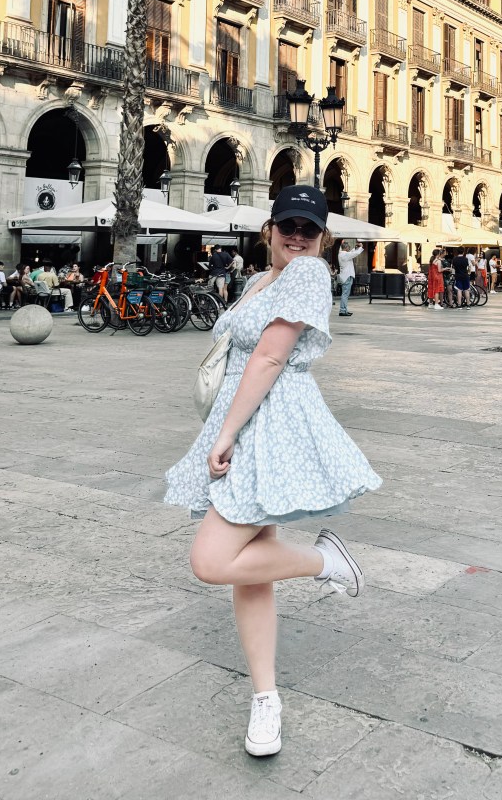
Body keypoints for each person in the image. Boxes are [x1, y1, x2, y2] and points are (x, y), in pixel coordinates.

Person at [165, 185, 381, 759]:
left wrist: (228, 432)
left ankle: (326, 561)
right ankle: (267, 699)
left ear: (324, 237)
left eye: (308, 229)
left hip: (266, 424)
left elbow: (269, 356)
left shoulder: (310, 274)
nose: (297, 236)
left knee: (211, 559)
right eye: (287, 224)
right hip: (245, 420)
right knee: (248, 571)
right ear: (269, 228)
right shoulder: (263, 279)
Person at [337, 239, 363, 317]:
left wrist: (355, 248)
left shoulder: (342, 254)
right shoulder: (344, 255)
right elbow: (354, 254)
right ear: (346, 248)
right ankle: (342, 310)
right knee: (345, 294)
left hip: (346, 276)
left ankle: (344, 309)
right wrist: (360, 248)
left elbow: (351, 253)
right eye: (348, 248)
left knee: (345, 294)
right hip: (347, 276)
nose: (349, 249)